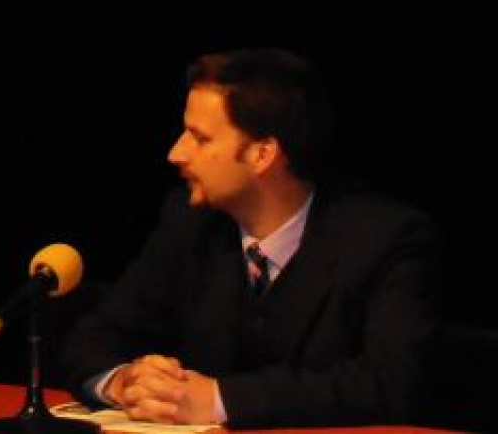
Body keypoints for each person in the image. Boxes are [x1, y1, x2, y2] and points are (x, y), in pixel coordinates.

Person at [58, 47, 440, 428]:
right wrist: (125, 382)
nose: (175, 153)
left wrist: (220, 400)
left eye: (199, 138)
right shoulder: (189, 224)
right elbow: (93, 338)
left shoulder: (383, 238)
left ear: (262, 154)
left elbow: (390, 384)